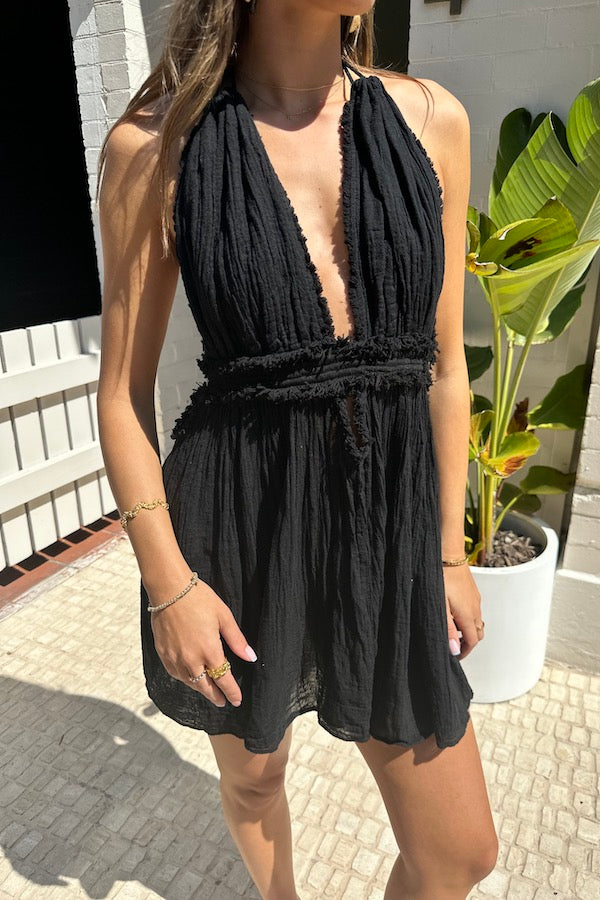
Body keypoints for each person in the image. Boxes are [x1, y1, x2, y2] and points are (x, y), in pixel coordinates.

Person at [97, 0, 499, 896]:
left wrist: (449, 553)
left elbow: (443, 370)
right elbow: (121, 395)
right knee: (255, 774)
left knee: (460, 852)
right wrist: (170, 585)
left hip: (388, 523)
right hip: (240, 520)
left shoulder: (431, 120)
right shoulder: (156, 146)